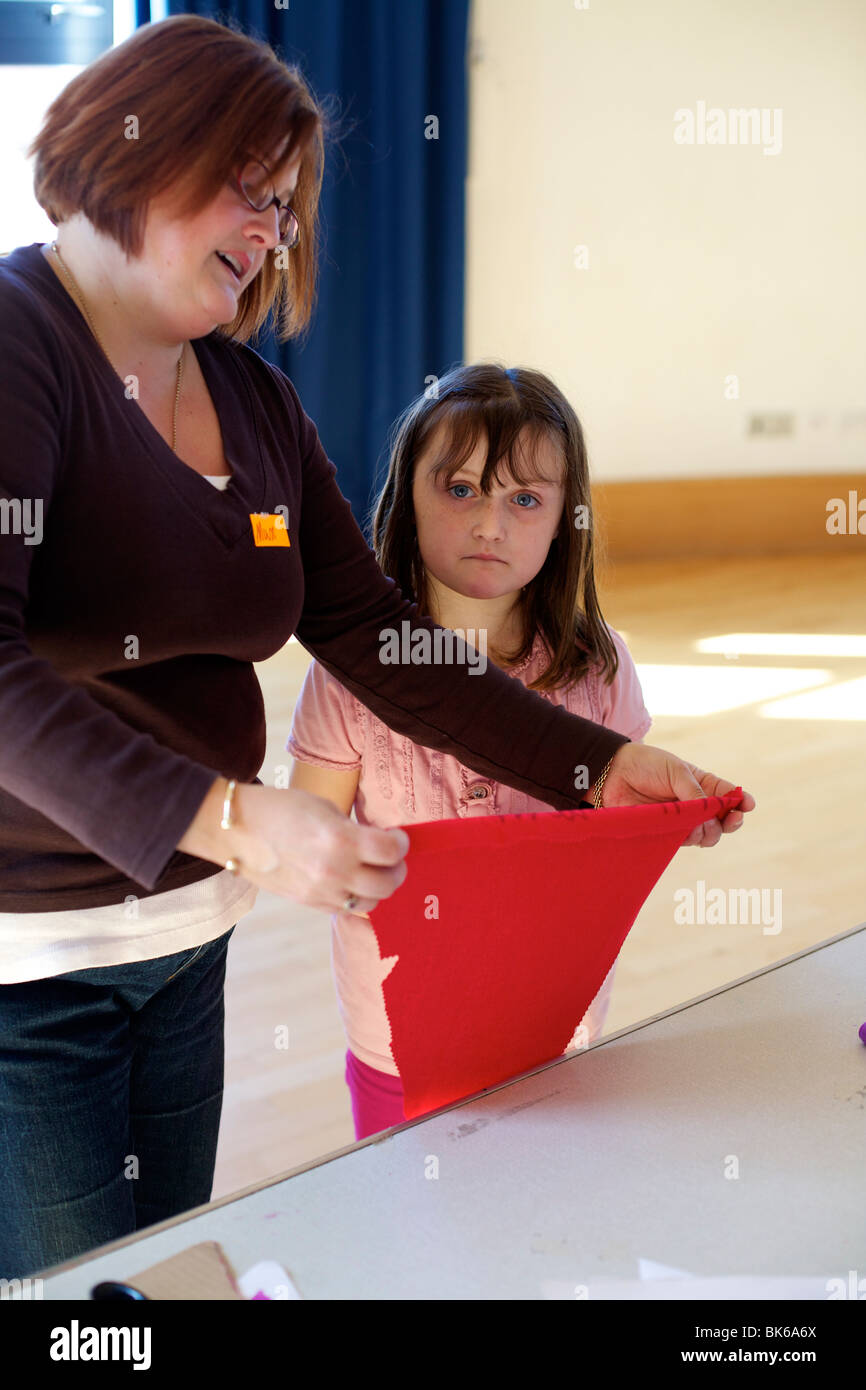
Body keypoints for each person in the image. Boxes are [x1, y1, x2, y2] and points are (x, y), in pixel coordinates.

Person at [0, 14, 753, 1279]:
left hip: (186, 937)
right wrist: (239, 815)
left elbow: (374, 636)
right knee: (89, 1308)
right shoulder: (19, 341)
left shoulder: (250, 397)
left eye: (286, 208)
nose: (271, 232)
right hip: (35, 962)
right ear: (132, 148)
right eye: (248, 191)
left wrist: (592, 767)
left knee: (157, 1269)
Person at [289, 363, 662, 1138]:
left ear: (566, 519)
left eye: (525, 499)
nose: (490, 525)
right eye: (461, 490)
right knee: (412, 1234)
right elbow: (307, 850)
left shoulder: (601, 666)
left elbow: (614, 843)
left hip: (560, 1032)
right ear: (407, 496)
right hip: (400, 1042)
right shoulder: (350, 674)